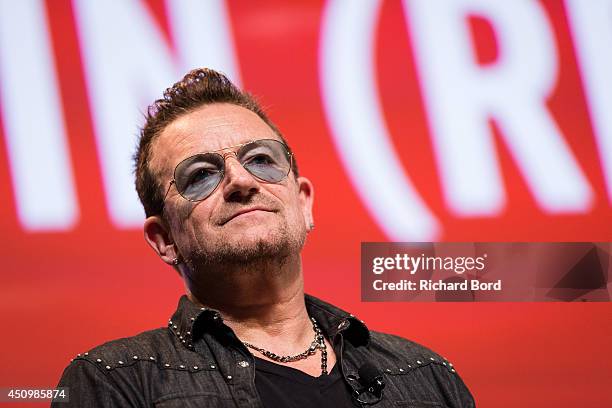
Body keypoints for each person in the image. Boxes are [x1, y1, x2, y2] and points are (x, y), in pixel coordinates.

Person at [53, 68, 475, 407]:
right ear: (164, 239)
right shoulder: (117, 380)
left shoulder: (424, 376)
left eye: (261, 159)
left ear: (304, 202)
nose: (240, 180)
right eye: (200, 175)